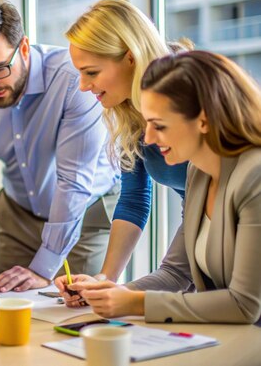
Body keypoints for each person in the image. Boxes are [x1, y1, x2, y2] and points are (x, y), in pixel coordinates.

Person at [56, 51, 261, 325]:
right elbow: (175, 274)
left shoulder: (254, 177)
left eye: (159, 125)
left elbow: (244, 305)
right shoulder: (198, 174)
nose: (149, 138)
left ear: (203, 120)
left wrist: (135, 303)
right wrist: (109, 293)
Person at [0, 0, 119, 294]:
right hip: (17, 216)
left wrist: (43, 269)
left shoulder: (73, 79)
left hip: (85, 215)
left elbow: (74, 181)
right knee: (2, 309)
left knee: (79, 318)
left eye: (0, 69)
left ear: (24, 48)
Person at [66, 0, 189, 282]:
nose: (83, 86)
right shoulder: (129, 111)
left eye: (91, 72)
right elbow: (133, 199)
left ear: (130, 56)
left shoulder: (189, 101)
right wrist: (105, 279)